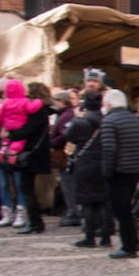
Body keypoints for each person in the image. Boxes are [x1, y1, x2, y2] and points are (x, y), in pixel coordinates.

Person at [99, 89, 139, 258]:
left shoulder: (109, 121)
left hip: (118, 171)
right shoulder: (133, 119)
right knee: (128, 208)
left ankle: (128, 246)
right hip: (133, 170)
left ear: (109, 103)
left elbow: (109, 149)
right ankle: (133, 242)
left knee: (121, 210)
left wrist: (106, 172)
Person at [8, 81, 54, 235]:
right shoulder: (42, 110)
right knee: (27, 189)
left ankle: (35, 223)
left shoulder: (37, 110)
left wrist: (11, 134)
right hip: (36, 153)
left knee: (26, 189)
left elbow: (29, 129)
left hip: (32, 154)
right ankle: (35, 222)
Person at [66, 91, 111, 248]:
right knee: (103, 201)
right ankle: (106, 236)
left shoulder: (81, 122)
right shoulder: (106, 120)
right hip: (103, 162)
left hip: (85, 163)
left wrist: (77, 117)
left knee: (88, 202)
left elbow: (68, 136)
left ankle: (90, 236)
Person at [48, 89, 80, 226]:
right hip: (65, 154)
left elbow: (65, 135)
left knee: (69, 184)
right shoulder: (64, 114)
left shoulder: (67, 115)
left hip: (65, 154)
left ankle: (74, 212)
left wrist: (52, 142)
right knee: (67, 184)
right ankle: (73, 211)